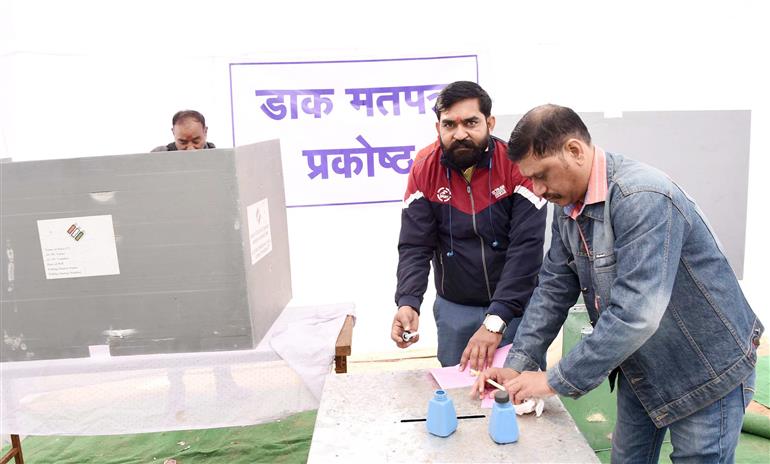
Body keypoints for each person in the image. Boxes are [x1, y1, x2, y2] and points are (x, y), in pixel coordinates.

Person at [473, 104, 763, 462]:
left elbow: (636, 314)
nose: (538, 188)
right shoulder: (566, 205)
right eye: (530, 178)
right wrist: (519, 362)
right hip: (642, 366)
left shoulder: (642, 197)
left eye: (542, 174)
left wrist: (552, 380)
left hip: (704, 369)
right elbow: (553, 287)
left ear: (575, 151)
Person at [391, 81, 547, 371]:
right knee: (459, 400)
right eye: (449, 124)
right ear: (438, 127)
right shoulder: (423, 168)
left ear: (490, 122)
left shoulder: (516, 166)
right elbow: (415, 245)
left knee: (517, 399)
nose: (459, 133)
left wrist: (497, 318)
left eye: (471, 123)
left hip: (517, 309)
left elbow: (526, 250)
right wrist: (408, 301)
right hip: (455, 310)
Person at [151, 110, 216, 152]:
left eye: (196, 141)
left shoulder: (218, 157)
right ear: (173, 133)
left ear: (205, 132)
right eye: (183, 142)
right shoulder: (157, 155)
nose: (190, 149)